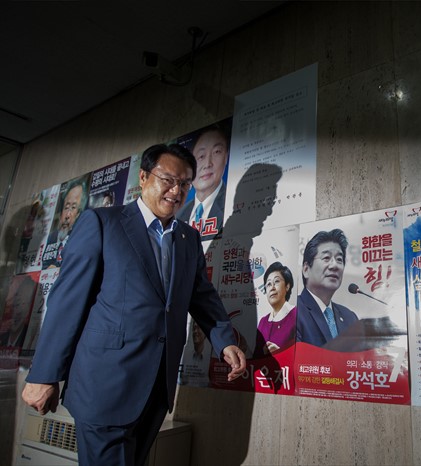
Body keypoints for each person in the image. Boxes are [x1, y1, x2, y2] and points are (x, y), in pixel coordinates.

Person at [22, 143, 246, 466]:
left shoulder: (188, 239)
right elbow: (67, 302)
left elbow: (202, 296)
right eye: (168, 180)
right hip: (105, 385)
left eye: (184, 184)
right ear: (143, 177)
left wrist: (225, 341)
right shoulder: (101, 223)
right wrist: (44, 375)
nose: (176, 191)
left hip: (155, 389)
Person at [296, 229, 359, 347]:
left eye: (339, 259)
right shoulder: (292, 312)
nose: (334, 265)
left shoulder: (350, 318)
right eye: (326, 258)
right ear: (306, 269)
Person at [177, 124, 229, 242]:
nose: (207, 164)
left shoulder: (232, 206)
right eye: (201, 156)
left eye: (216, 152)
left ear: (226, 156)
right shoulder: (178, 213)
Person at [41, 180, 87, 268]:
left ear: (79, 214)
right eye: (66, 207)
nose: (67, 215)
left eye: (73, 207)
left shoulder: (81, 240)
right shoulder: (51, 238)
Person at [256, 262, 297, 355]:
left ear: (287, 286)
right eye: (268, 284)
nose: (272, 288)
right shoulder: (263, 322)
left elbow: (305, 355)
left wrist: (281, 354)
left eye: (276, 281)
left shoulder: (298, 316)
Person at [0, 275, 38, 347]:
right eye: (16, 304)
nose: (17, 312)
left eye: (23, 304)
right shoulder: (2, 336)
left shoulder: (30, 339)